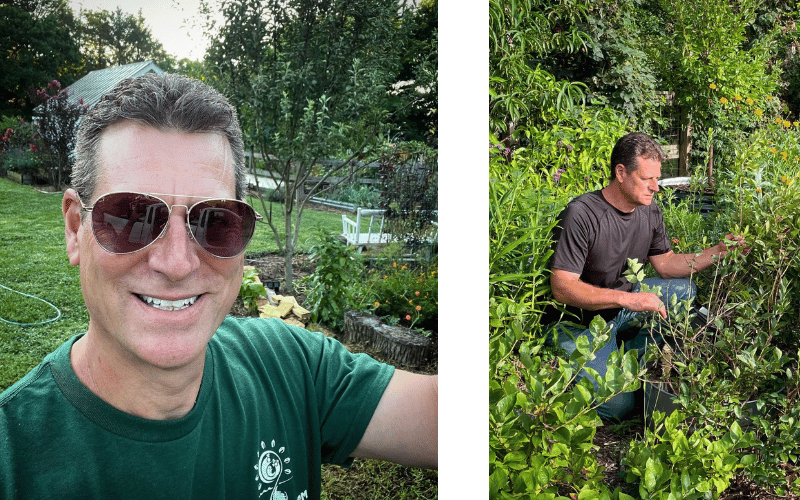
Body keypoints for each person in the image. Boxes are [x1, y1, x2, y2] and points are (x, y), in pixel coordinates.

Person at [0, 73, 437, 499]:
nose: (175, 263)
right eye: (132, 217)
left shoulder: (291, 367)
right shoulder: (12, 460)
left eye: (214, 221)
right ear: (76, 227)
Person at [547, 131, 743, 420]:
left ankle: (628, 354)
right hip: (578, 323)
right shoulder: (581, 214)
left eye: (657, 178)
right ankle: (586, 363)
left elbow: (665, 264)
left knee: (684, 292)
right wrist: (630, 300)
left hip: (621, 309)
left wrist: (719, 251)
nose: (655, 187)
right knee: (619, 406)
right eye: (647, 178)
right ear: (621, 172)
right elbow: (563, 288)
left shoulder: (648, 210)